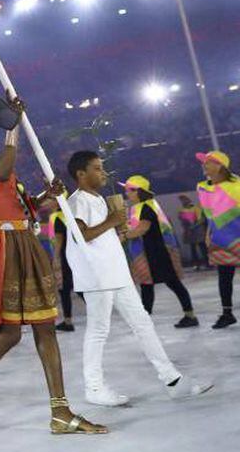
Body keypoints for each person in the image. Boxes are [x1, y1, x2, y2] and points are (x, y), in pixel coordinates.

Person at [0, 104, 106, 435]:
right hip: (2, 246)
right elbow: (1, 175)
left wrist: (43, 197)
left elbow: (15, 203)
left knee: (44, 324)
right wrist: (13, 126)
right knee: (10, 332)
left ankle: (60, 412)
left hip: (23, 240)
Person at [64, 151, 213, 406]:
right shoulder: (77, 201)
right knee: (99, 330)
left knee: (143, 323)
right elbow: (83, 235)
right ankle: (94, 388)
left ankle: (172, 380)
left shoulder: (98, 198)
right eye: (97, 168)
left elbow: (102, 234)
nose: (103, 173)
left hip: (117, 272)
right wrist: (113, 221)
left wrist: (117, 230)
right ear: (81, 173)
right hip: (98, 275)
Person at [120, 175, 198, 327]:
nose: (127, 193)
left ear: (139, 191)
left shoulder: (146, 207)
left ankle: (147, 320)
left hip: (157, 253)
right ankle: (148, 319)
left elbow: (142, 229)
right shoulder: (142, 206)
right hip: (152, 252)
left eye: (129, 190)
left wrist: (124, 236)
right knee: (152, 285)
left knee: (163, 284)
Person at [195, 150, 240, 329]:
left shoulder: (236, 187)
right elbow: (210, 216)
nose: (204, 165)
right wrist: (208, 234)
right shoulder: (203, 188)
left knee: (225, 277)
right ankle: (227, 313)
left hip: (237, 235)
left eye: (208, 162)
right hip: (220, 238)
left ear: (220, 166)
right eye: (203, 162)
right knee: (224, 277)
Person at [48, 207, 77, 332]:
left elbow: (58, 239)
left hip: (63, 257)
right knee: (73, 287)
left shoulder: (57, 217)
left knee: (65, 289)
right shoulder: (68, 215)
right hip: (73, 256)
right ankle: (68, 321)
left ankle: (68, 321)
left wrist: (55, 258)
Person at [177, 194, 209, 271]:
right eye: (182, 200)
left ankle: (207, 263)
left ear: (188, 200)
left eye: (184, 200)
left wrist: (194, 225)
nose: (183, 202)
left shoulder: (196, 208)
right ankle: (196, 264)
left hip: (198, 231)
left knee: (202, 247)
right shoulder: (181, 210)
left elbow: (202, 220)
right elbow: (182, 220)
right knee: (193, 248)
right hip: (190, 231)